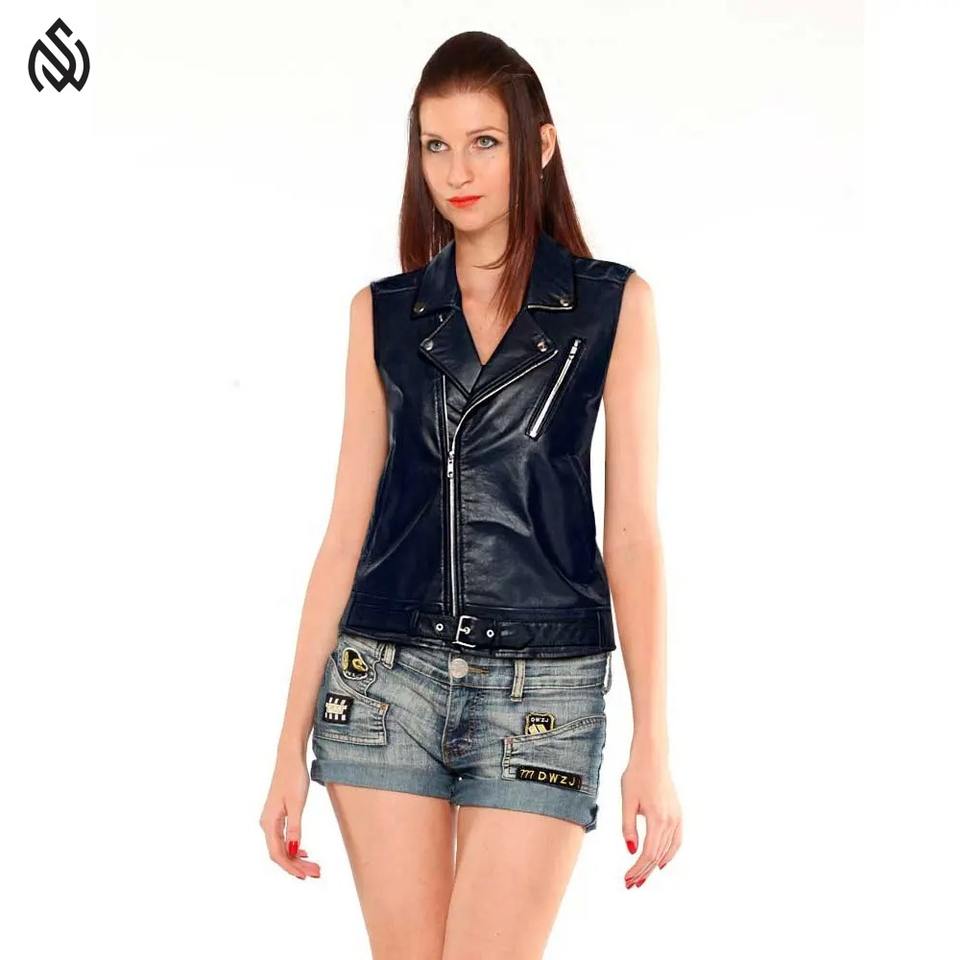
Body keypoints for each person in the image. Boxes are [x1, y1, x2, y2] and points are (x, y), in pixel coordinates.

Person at [260, 30, 682, 959]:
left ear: (540, 146)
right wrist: (286, 746)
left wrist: (652, 741)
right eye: (435, 144)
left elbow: (634, 535)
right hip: (384, 682)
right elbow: (343, 536)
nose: (457, 171)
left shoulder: (613, 307)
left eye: (485, 142)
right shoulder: (383, 316)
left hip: (546, 687)